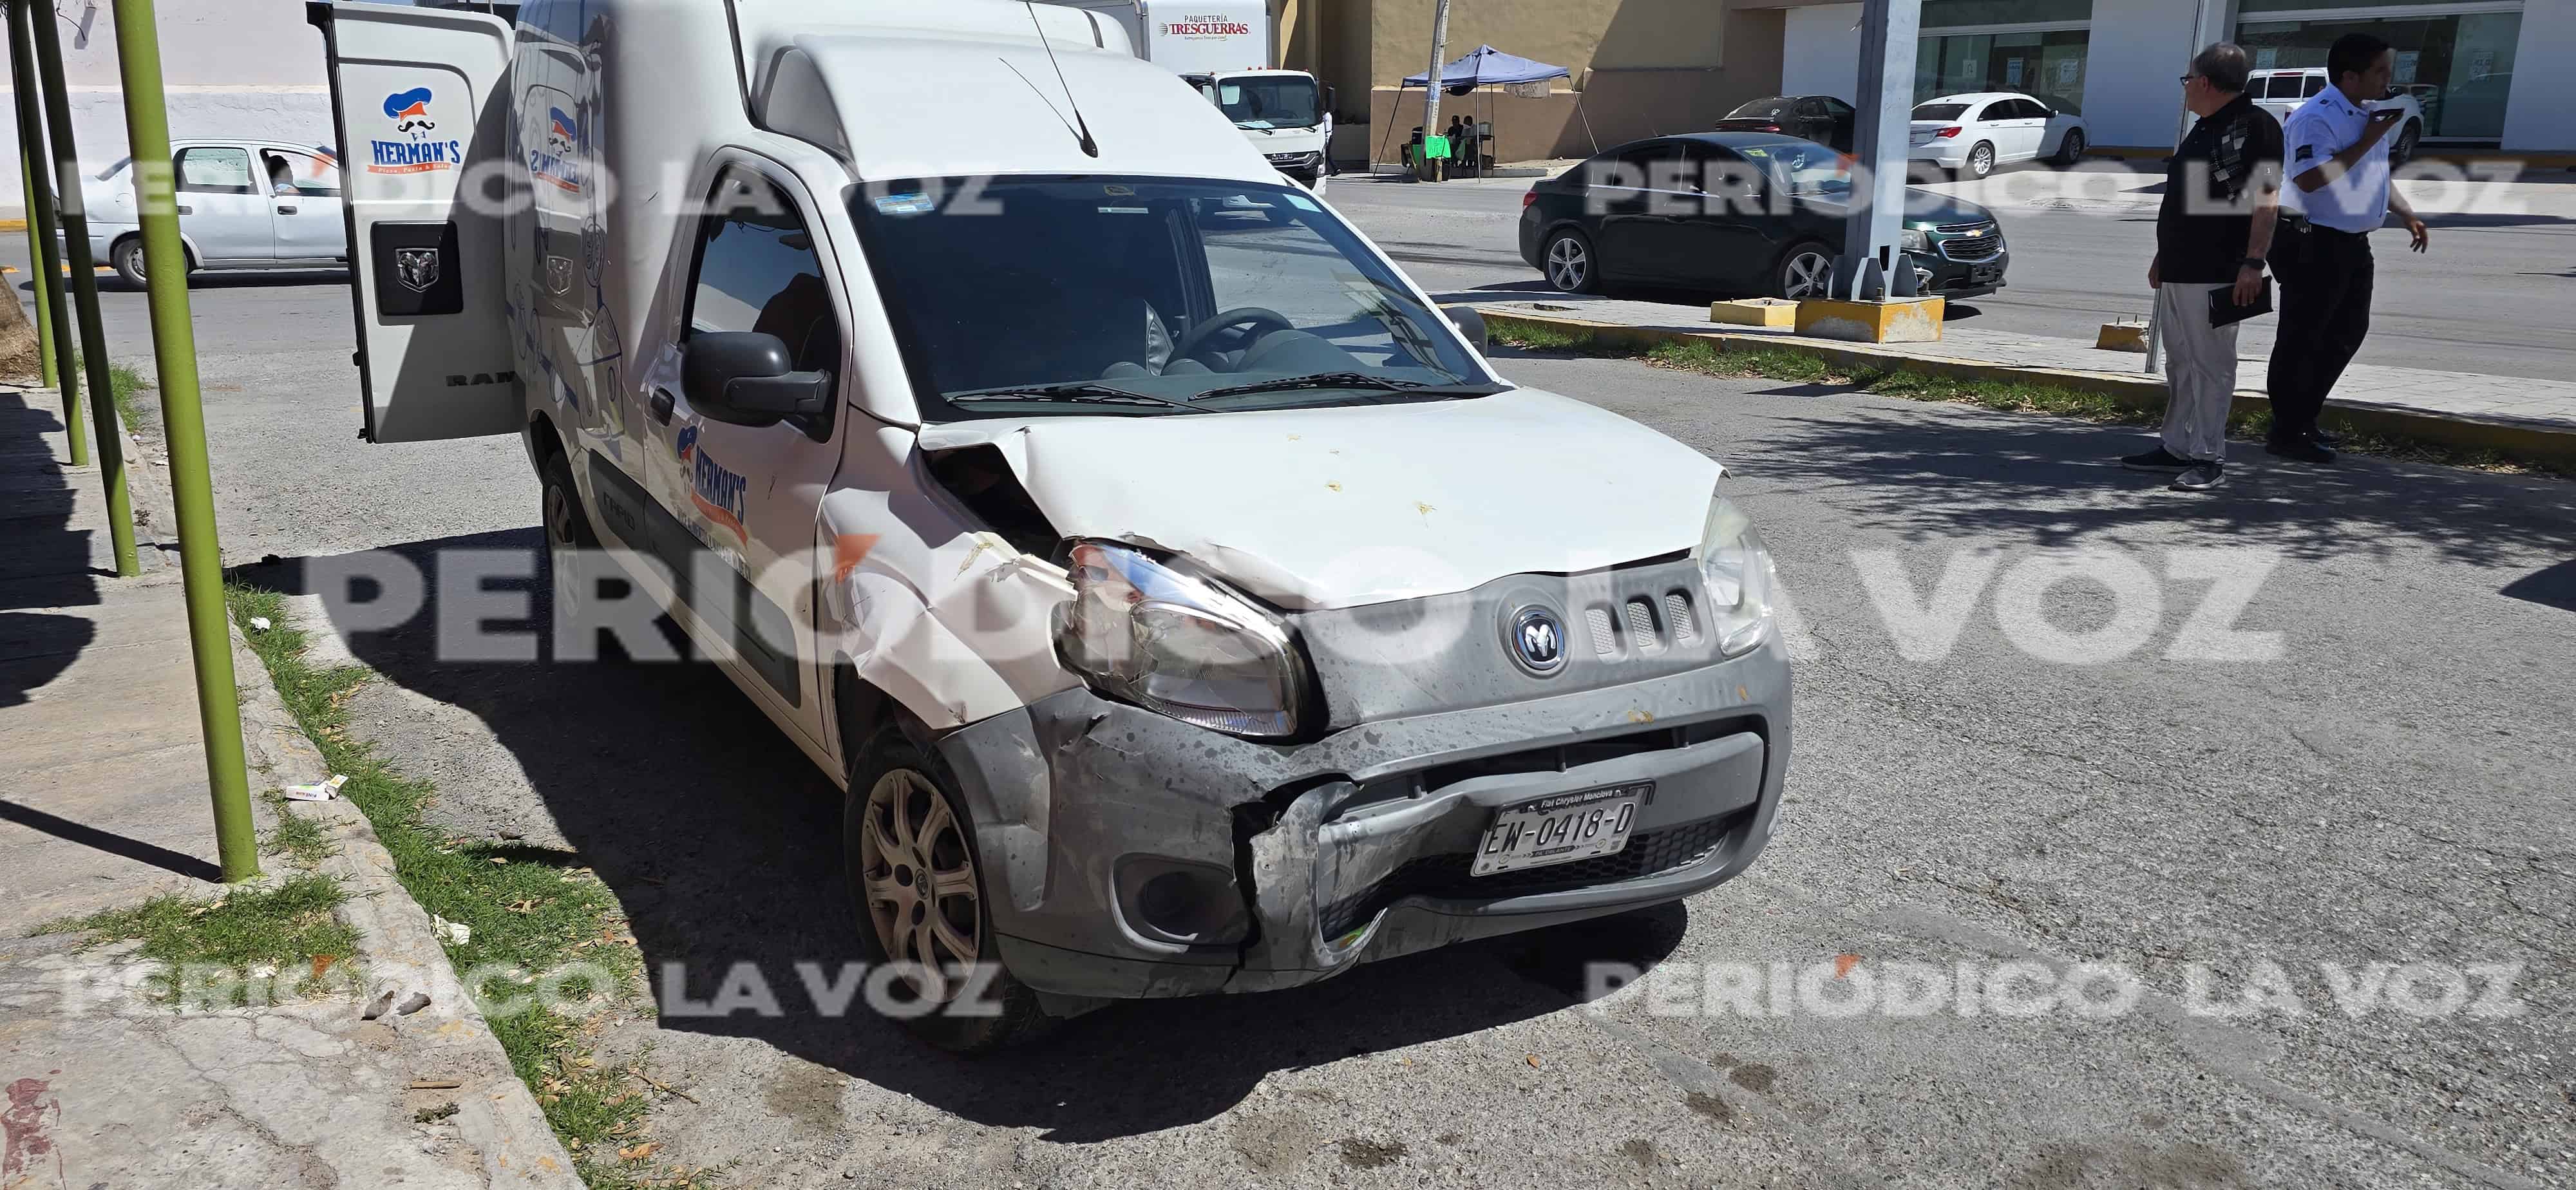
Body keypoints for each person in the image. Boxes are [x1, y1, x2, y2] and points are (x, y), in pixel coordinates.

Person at [2266, 32, 2431, 465]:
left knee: (2347, 333)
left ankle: (2304, 417)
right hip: (2313, 240)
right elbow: (2309, 179)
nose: (2387, 80)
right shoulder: (2316, 117)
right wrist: (2367, 139)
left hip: (2353, 244)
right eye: (2380, 72)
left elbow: (2374, 176)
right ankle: (2285, 431)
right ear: (2350, 76)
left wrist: (2406, 212)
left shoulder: (2371, 114)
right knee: (2303, 337)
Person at [2126, 43, 2282, 493]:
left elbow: (2266, 199)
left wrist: (2254, 263)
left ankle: (2208, 457)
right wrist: (2164, 254)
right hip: (2181, 267)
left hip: (2221, 270)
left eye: (2188, 80)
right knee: (2180, 362)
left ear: (2206, 83)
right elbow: (2188, 201)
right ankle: (2175, 446)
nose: (2186, 88)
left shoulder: (2258, 128)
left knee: (2212, 365)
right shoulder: (2204, 129)